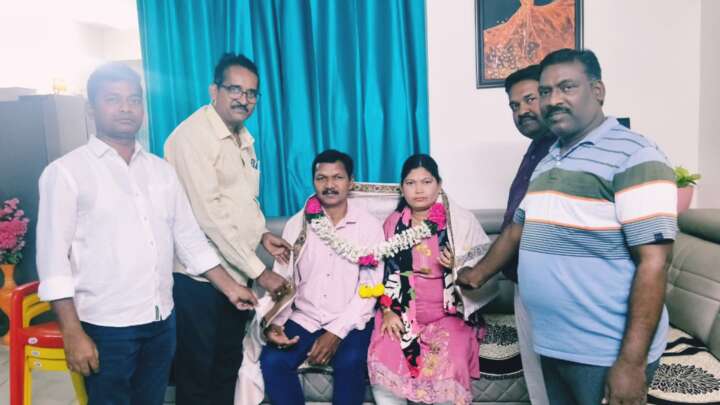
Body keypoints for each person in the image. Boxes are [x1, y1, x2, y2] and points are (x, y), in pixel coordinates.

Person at [458, 49, 677, 405]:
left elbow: (654, 263)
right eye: (546, 91)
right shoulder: (549, 160)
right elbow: (516, 230)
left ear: (597, 91)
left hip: (603, 351)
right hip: (553, 343)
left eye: (567, 87)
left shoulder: (636, 155)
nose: (553, 100)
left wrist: (631, 363)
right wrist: (475, 274)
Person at [36, 62, 257, 405]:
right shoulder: (66, 173)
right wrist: (72, 332)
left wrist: (231, 288)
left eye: (134, 99)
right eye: (113, 99)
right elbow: (53, 262)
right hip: (106, 326)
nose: (126, 108)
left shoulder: (161, 172)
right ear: (91, 109)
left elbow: (190, 241)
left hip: (161, 321)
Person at [164, 53, 291, 405]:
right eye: (235, 89)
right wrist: (261, 272)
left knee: (226, 369)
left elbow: (242, 199)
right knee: (198, 376)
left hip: (237, 276)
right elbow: (210, 217)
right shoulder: (192, 138)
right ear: (214, 90)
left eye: (251, 93)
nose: (243, 99)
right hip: (200, 282)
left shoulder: (241, 136)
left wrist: (261, 233)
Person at [252, 149, 384, 405]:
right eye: (321, 178)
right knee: (273, 361)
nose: (329, 185)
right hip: (306, 316)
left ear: (351, 182)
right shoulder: (298, 224)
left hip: (350, 318)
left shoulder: (369, 226)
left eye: (338, 177)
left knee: (351, 362)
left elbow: (370, 288)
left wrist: (335, 332)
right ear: (313, 181)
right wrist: (275, 323)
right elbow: (284, 279)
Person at [368, 154, 497, 405]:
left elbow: (483, 267)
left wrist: (457, 267)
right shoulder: (393, 223)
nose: (419, 190)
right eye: (411, 183)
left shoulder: (459, 222)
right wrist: (388, 311)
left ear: (439, 185)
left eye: (426, 182)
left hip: (448, 314)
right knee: (384, 354)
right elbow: (381, 273)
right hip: (401, 312)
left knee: (452, 361)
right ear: (402, 188)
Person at [500, 64, 557, 405]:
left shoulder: (564, 148)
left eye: (530, 99)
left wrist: (478, 273)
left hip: (552, 288)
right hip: (526, 282)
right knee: (538, 383)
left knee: (555, 383)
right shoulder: (537, 148)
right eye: (514, 105)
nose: (522, 111)